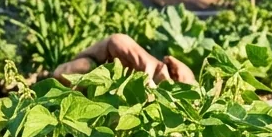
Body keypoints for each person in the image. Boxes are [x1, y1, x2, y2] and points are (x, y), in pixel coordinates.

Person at [51, 33, 196, 86]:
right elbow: (117, 40)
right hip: (91, 68)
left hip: (105, 82)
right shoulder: (142, 61)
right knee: (80, 68)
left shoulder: (147, 68)